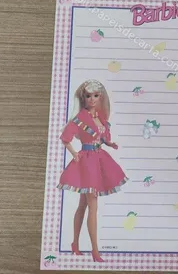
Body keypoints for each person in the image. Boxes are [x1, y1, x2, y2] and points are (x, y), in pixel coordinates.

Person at [57, 79, 128, 262]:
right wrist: (74, 153)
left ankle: (75, 244)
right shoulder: (80, 118)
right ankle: (95, 251)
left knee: (83, 205)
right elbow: (65, 138)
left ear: (100, 97)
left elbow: (101, 137)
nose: (92, 99)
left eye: (95, 96)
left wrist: (109, 143)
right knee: (92, 206)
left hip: (99, 159)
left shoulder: (100, 117)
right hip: (87, 162)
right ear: (84, 98)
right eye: (88, 96)